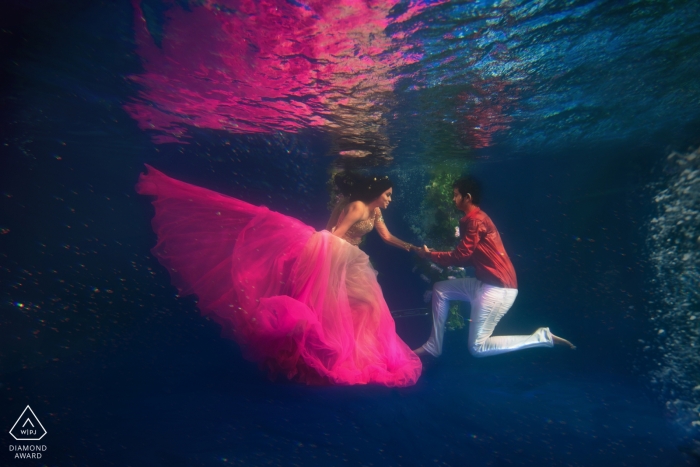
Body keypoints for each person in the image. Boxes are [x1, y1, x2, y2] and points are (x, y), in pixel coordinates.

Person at [136, 165, 421, 386]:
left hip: (352, 262)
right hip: (337, 257)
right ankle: (318, 358)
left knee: (364, 307)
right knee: (337, 308)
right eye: (388, 194)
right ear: (377, 191)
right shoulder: (357, 206)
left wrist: (414, 248)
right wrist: (329, 267)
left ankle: (347, 356)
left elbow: (386, 236)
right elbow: (334, 234)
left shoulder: (374, 212)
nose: (390, 199)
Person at [413, 176, 575, 359]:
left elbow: (460, 256)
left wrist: (429, 255)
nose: (453, 199)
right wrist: (435, 253)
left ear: (467, 197)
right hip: (484, 283)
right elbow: (469, 259)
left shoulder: (475, 221)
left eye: (456, 195)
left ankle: (542, 337)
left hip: (498, 289)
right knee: (441, 290)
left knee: (477, 348)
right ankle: (433, 346)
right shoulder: (472, 219)